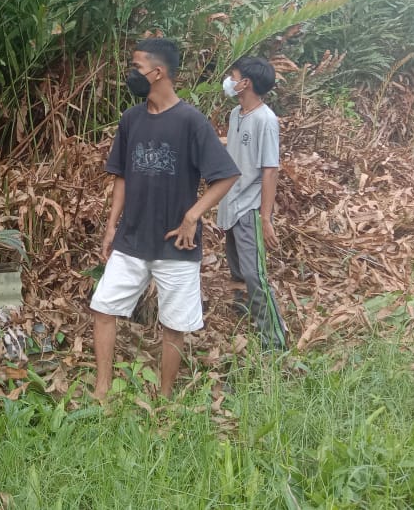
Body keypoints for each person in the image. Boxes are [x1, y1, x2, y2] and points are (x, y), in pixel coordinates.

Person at [91, 38, 239, 400]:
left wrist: (193, 215)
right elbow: (121, 176)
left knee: (174, 325)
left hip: (176, 242)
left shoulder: (191, 121)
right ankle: (101, 390)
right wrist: (111, 225)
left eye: (136, 67)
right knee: (103, 308)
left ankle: (165, 397)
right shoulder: (131, 119)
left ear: (157, 73)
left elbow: (226, 176)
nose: (130, 74)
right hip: (132, 238)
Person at [216, 56, 287, 350]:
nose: (229, 81)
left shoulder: (265, 121)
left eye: (233, 76)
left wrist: (265, 218)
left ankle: (275, 341)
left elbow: (270, 170)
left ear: (245, 83)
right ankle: (247, 321)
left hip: (249, 207)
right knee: (237, 270)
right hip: (230, 203)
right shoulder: (236, 114)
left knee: (253, 274)